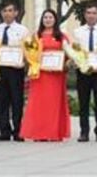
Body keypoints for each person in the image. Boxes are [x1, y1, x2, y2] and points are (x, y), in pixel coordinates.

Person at [20, 9, 71, 141]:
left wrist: (66, 64)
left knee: (54, 105)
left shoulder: (61, 36)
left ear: (55, 20)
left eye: (50, 17)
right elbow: (29, 53)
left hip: (56, 75)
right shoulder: (36, 36)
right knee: (39, 104)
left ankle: (54, 133)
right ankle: (39, 133)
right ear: (42, 20)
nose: (48, 20)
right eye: (45, 18)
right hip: (40, 75)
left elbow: (69, 54)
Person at [72, 4, 97, 142]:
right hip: (83, 71)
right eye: (88, 13)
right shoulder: (77, 32)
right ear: (84, 15)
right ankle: (84, 132)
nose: (91, 15)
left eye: (94, 13)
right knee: (84, 103)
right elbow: (75, 51)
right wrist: (78, 62)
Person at [0, 2, 30, 142]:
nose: (7, 13)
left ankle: (18, 131)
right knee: (1, 101)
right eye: (4, 11)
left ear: (16, 13)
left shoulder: (23, 30)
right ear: (1, 13)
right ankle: (4, 131)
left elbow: (29, 50)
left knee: (16, 100)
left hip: (16, 69)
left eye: (10, 10)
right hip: (0, 69)